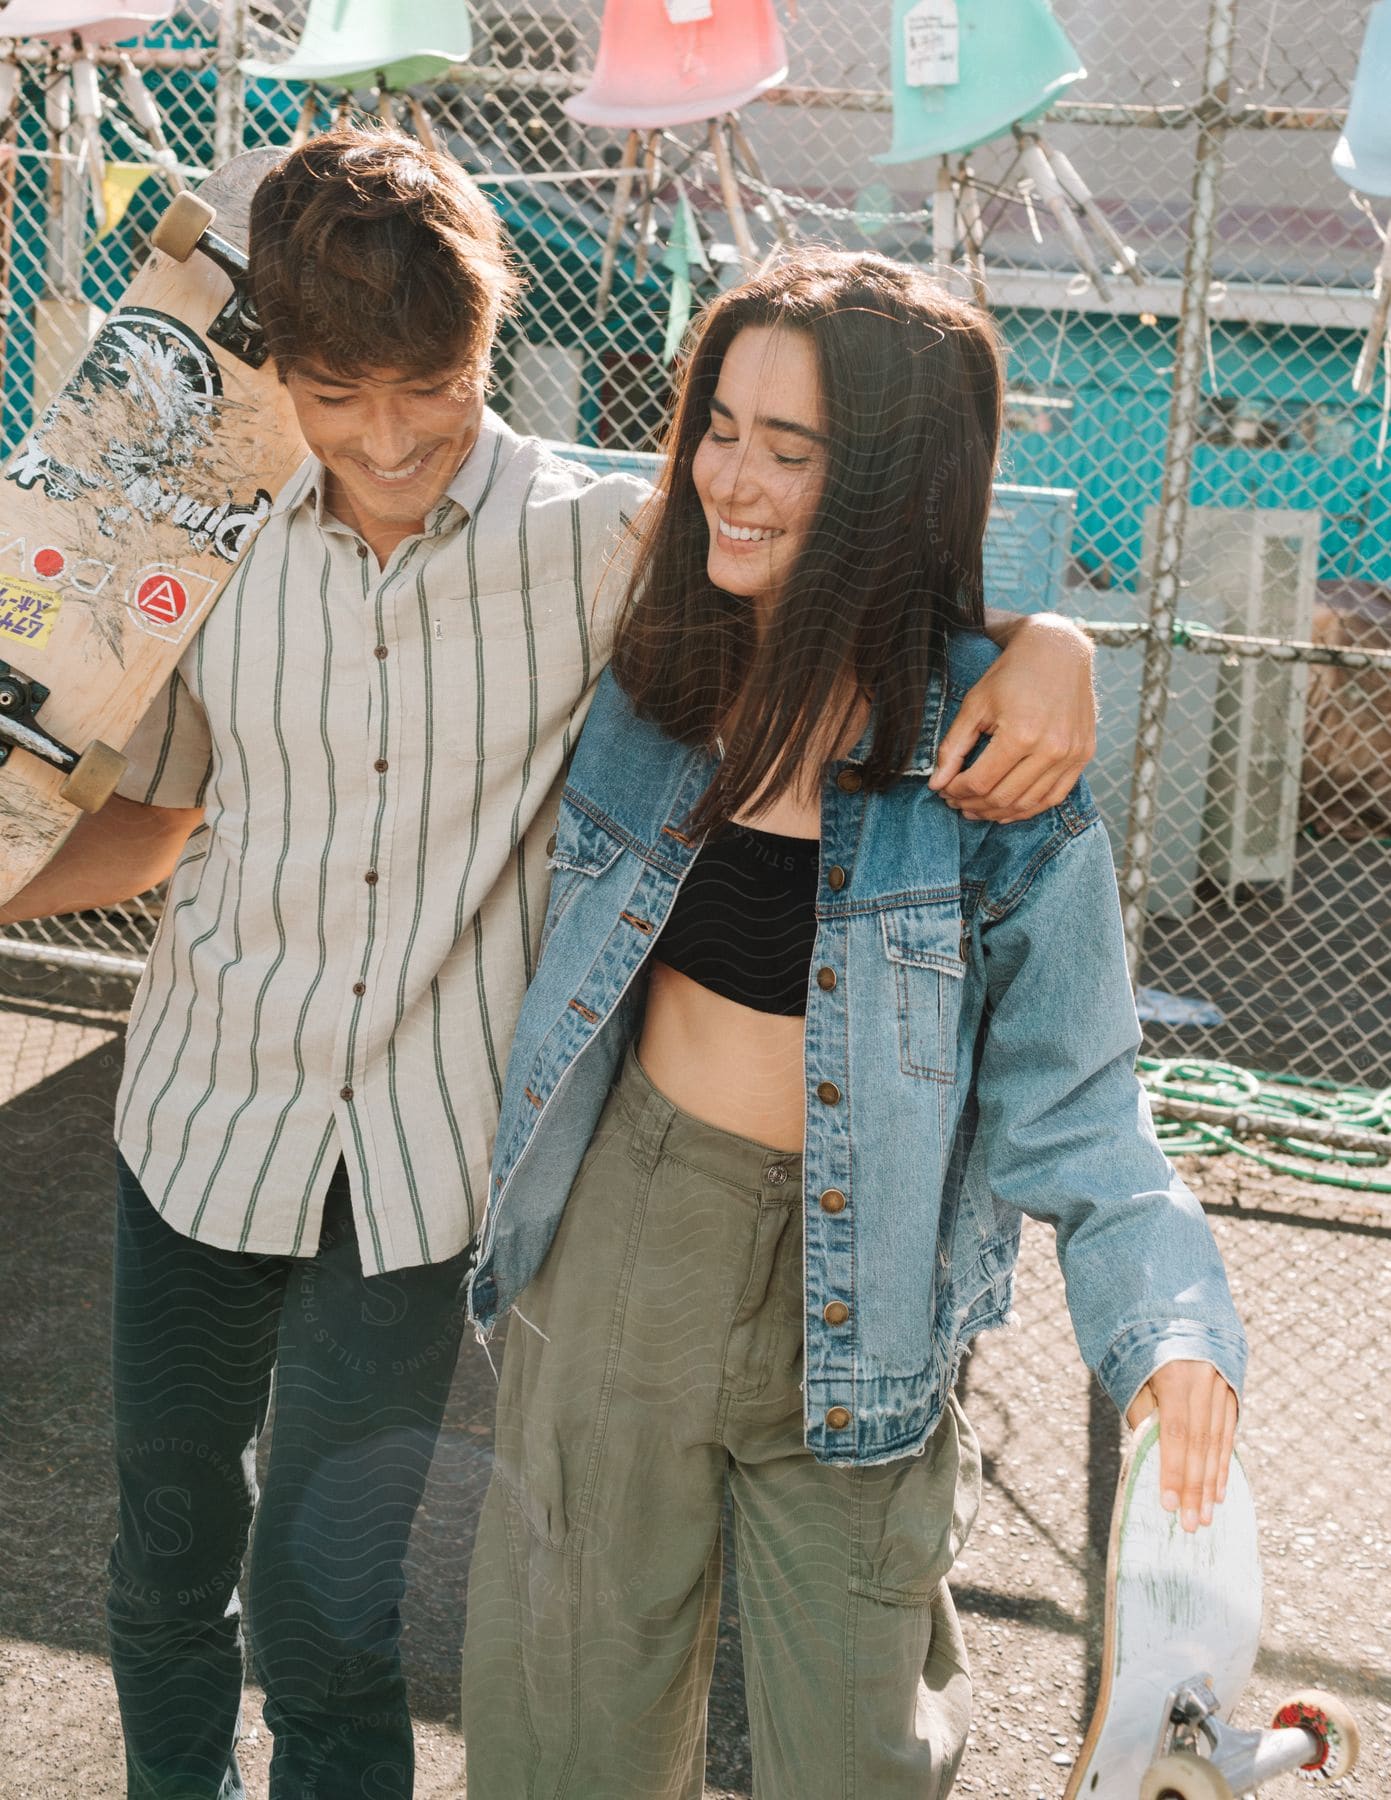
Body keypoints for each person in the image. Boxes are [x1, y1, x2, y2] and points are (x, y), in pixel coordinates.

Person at [0, 132, 1100, 1798]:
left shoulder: (609, 544)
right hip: (197, 1120)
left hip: (420, 1172)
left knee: (327, 1608)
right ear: (278, 370)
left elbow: (843, 535)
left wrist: (1050, 642)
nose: (385, 442)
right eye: (335, 392)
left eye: (428, 389)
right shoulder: (213, 537)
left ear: (489, 345)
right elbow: (155, 825)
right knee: (162, 1565)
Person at [458, 249, 1247, 1799]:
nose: (728, 479)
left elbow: (1080, 1104)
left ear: (885, 484)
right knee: (569, 1730)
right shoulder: (651, 662)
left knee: (860, 1759)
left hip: (868, 1297)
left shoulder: (996, 768)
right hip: (631, 1242)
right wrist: (1062, 633)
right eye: (719, 426)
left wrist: (1171, 1335)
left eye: (789, 448)